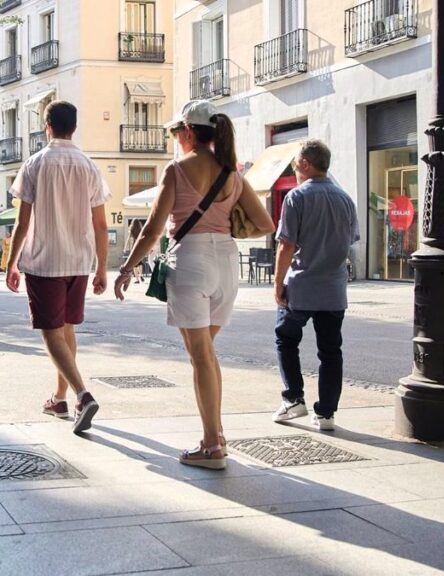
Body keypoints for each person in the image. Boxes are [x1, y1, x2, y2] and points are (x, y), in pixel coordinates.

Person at [116, 100, 275, 469]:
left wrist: (126, 268)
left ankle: (211, 446)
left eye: (176, 132)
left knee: (201, 356)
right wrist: (229, 219)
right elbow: (265, 224)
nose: (175, 139)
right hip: (226, 262)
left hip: (191, 260)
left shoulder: (176, 170)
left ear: (189, 132)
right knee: (206, 354)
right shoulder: (232, 174)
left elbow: (154, 229)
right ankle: (216, 433)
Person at [6, 101, 111, 434]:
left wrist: (12, 263)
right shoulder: (89, 166)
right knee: (67, 328)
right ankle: (59, 398)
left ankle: (82, 394)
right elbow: (101, 225)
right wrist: (101, 268)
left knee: (51, 332)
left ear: (46, 125)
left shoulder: (35, 164)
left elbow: (22, 223)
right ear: (74, 128)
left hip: (44, 259)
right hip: (78, 260)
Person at [272, 139, 359, 432]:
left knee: (286, 338)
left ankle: (294, 398)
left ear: (306, 164)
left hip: (301, 284)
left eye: (296, 163)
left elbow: (286, 246)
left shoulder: (296, 198)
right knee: (331, 352)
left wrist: (277, 284)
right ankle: (326, 414)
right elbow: (350, 243)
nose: (294, 168)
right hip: (334, 289)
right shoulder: (346, 199)